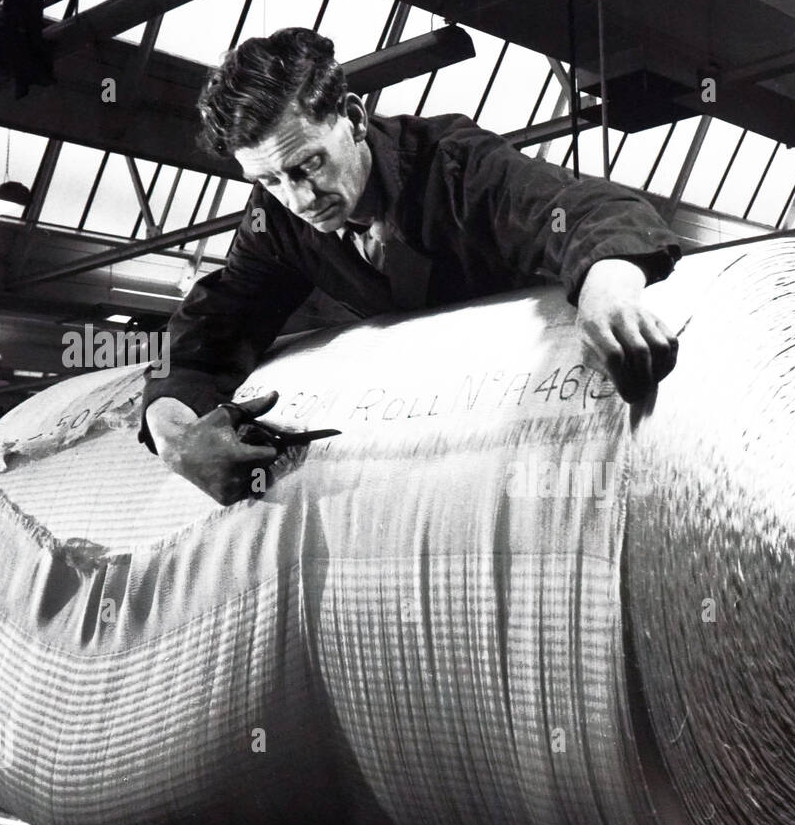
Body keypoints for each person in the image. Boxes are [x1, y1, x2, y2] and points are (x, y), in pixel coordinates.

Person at [140, 27, 683, 505]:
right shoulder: (279, 219)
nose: (299, 198)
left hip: (549, 411)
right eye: (270, 180)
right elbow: (212, 328)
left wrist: (607, 289)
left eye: (309, 165)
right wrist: (176, 440)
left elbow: (589, 209)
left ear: (352, 117)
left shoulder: (455, 166)